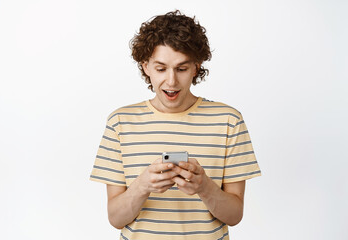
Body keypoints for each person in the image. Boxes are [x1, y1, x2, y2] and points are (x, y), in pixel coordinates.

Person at [90, 10, 261, 240]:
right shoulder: (119, 123)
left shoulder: (228, 121)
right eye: (161, 69)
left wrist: (204, 187)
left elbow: (234, 215)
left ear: (196, 67)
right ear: (145, 67)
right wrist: (142, 186)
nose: (171, 81)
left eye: (181, 69)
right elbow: (115, 219)